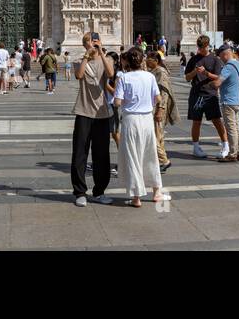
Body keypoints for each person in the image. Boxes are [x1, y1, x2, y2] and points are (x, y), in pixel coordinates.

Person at [113, 48, 166, 207]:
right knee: (150, 155)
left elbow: (117, 102)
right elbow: (157, 98)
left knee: (133, 157)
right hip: (147, 120)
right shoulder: (149, 76)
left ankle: (136, 197)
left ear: (127, 61)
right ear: (142, 60)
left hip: (130, 120)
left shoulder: (123, 77)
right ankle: (157, 192)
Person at [70, 32, 114, 207]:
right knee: (80, 153)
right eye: (89, 42)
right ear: (84, 45)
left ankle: (100, 191)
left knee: (102, 154)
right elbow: (79, 76)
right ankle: (80, 192)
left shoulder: (107, 60)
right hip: (83, 111)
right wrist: (86, 57)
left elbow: (110, 74)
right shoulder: (79, 61)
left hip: (102, 113)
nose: (93, 44)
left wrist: (102, 52)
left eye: (95, 41)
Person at [184, 35, 230, 156]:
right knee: (196, 121)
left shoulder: (215, 59)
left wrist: (206, 73)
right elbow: (187, 78)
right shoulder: (193, 59)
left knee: (217, 120)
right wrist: (195, 72)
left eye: (203, 47)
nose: (201, 50)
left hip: (210, 94)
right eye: (199, 47)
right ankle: (195, 147)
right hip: (196, 94)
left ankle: (225, 145)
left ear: (208, 46)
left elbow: (220, 77)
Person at [214, 41, 239, 162]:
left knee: (231, 128)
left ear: (225, 54)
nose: (220, 59)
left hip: (228, 101)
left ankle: (232, 154)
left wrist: (211, 83)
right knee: (237, 127)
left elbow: (218, 83)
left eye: (221, 56)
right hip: (238, 100)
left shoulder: (227, 67)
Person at [146, 51, 176, 173]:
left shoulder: (161, 72)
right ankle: (160, 160)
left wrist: (161, 109)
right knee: (158, 136)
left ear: (156, 61)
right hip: (154, 107)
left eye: (149, 59)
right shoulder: (153, 71)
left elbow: (164, 93)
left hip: (158, 108)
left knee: (154, 135)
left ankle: (164, 161)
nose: (147, 60)